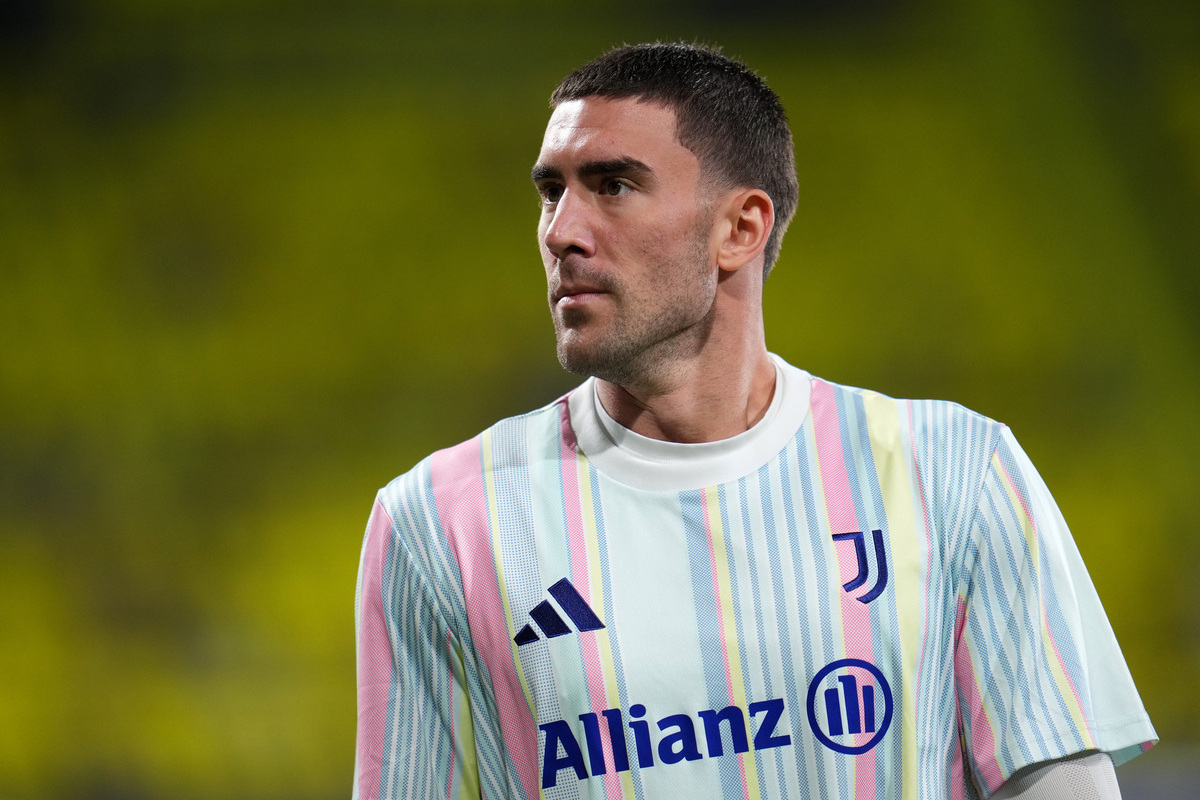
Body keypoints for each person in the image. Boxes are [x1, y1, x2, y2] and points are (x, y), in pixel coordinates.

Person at [353, 42, 1156, 800]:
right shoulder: (440, 523)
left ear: (740, 229)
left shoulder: (954, 472)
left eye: (613, 186)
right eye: (551, 191)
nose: (561, 231)